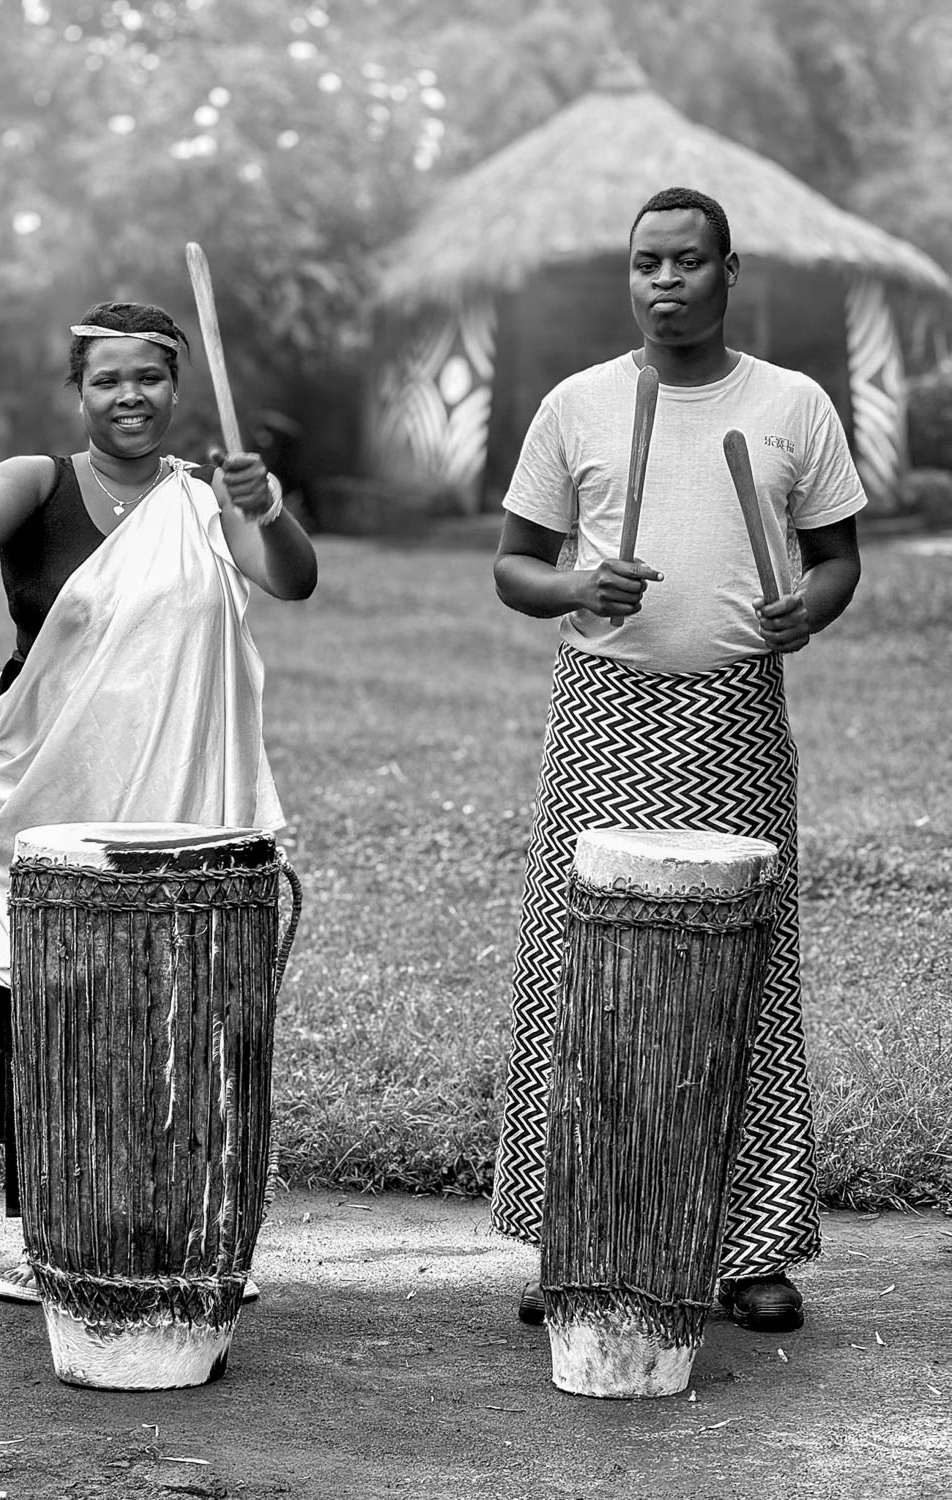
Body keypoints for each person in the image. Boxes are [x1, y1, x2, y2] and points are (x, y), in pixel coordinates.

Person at [0, 301, 318, 1303]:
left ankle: (193, 1226)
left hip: (179, 794)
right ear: (79, 391)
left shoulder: (209, 499)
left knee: (182, 1001)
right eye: (107, 378)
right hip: (53, 782)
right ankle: (51, 1233)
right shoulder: (41, 480)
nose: (129, 395)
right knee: (57, 998)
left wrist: (267, 507)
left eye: (147, 377)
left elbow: (291, 580)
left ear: (174, 389)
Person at [490, 187, 864, 1334]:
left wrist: (811, 610)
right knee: (584, 965)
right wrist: (574, 586)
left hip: (738, 716)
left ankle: (750, 1247)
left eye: (688, 262)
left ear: (727, 272)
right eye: (648, 262)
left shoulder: (792, 406)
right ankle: (582, 1238)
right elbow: (516, 567)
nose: (665, 281)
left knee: (745, 959)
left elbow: (838, 558)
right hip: (605, 711)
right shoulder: (580, 406)